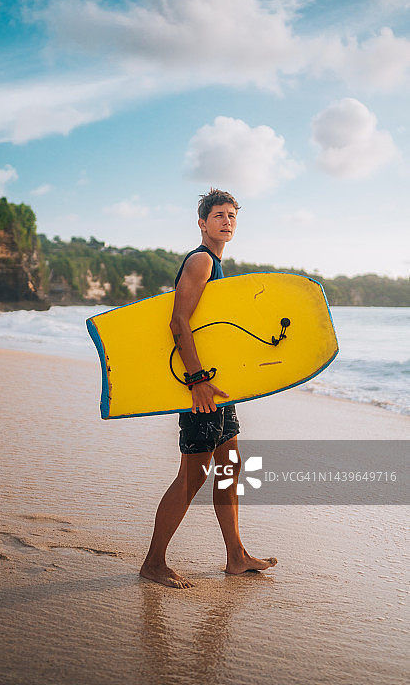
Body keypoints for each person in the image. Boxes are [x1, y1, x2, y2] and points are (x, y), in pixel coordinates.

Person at [140, 188, 277, 588]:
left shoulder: (217, 264)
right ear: (202, 223)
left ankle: (236, 556)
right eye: (219, 215)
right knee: (193, 475)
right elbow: (178, 321)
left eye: (232, 215)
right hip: (201, 386)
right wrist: (197, 380)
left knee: (230, 468)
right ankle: (153, 562)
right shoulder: (201, 260)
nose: (227, 221)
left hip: (219, 388)